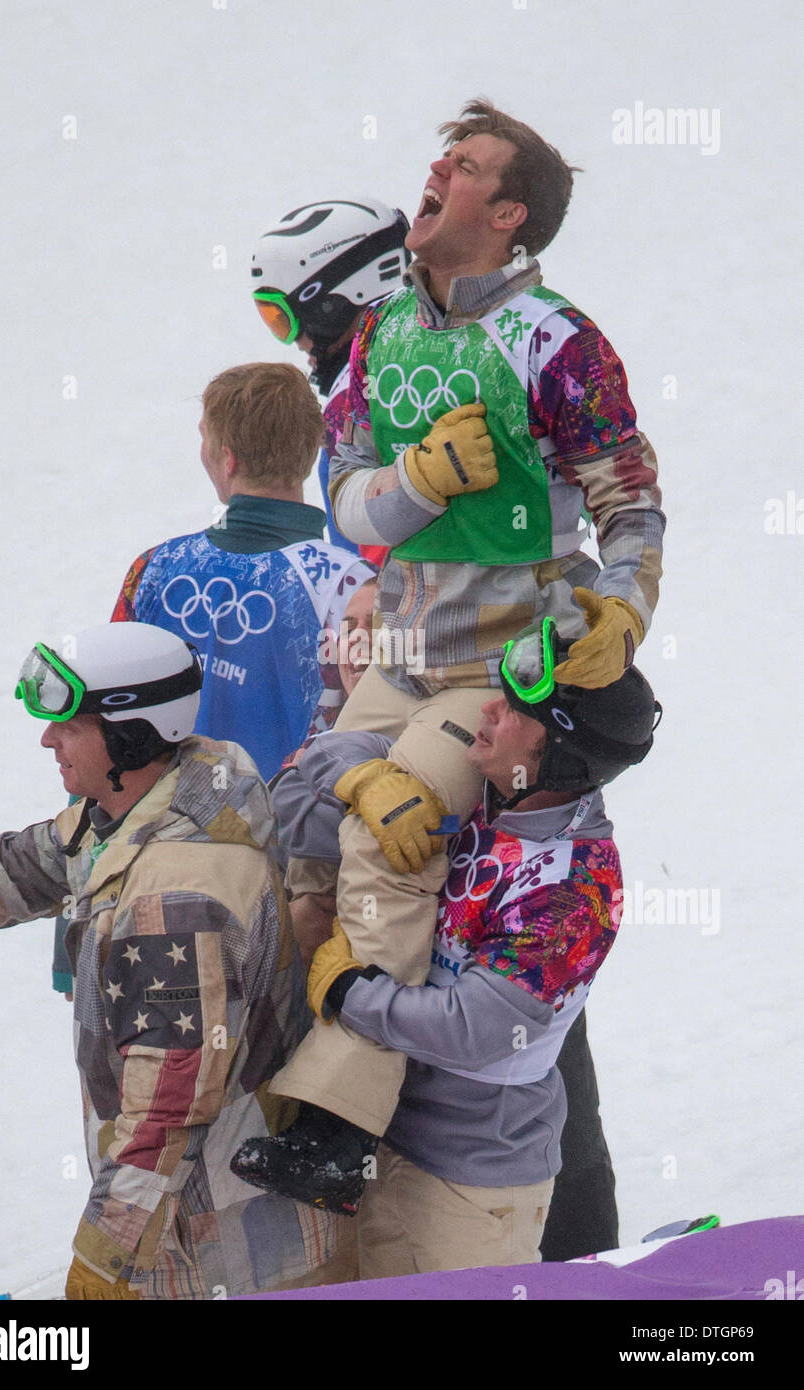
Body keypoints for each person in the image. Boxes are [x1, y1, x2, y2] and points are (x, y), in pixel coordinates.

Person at [232, 98, 665, 1216]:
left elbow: (628, 501)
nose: (434, 171)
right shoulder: (384, 335)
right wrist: (415, 484)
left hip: (496, 673)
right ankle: (279, 1084)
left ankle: (334, 1124)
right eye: (441, 156)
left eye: (463, 165)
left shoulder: (555, 339)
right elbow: (347, 503)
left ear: (507, 212)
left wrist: (620, 608)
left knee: (394, 831)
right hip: (407, 650)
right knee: (298, 811)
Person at [0, 623, 339, 1298]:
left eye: (67, 724)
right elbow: (11, 871)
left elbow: (167, 1109)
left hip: (210, 1247)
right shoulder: (175, 792)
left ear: (129, 733)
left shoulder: (177, 902)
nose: (47, 740)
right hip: (182, 1215)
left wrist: (102, 1261)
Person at [255, 620, 661, 1273]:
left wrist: (348, 990)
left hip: (473, 1184)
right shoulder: (474, 787)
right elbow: (301, 782)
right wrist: (366, 781)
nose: (489, 708)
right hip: (385, 1140)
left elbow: (475, 1030)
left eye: (516, 711)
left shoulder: (575, 887)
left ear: (557, 756)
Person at [111, 362, 374, 781]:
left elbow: (101, 721)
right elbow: (382, 731)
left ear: (227, 460)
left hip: (156, 838)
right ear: (309, 456)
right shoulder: (352, 586)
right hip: (294, 837)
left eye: (205, 440)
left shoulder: (153, 570)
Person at [252, 197, 410, 564]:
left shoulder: (346, 411)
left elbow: (371, 568)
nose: (294, 341)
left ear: (332, 304)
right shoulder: (442, 347)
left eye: (284, 319)